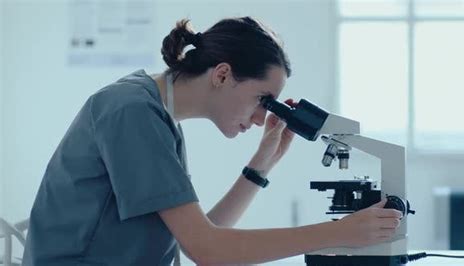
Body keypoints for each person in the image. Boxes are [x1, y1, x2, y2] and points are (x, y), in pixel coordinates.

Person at [23, 17, 402, 265]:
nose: (261, 118)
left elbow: (197, 236)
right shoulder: (131, 112)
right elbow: (207, 251)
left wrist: (261, 166)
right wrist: (338, 233)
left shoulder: (155, 113)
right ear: (222, 75)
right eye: (262, 100)